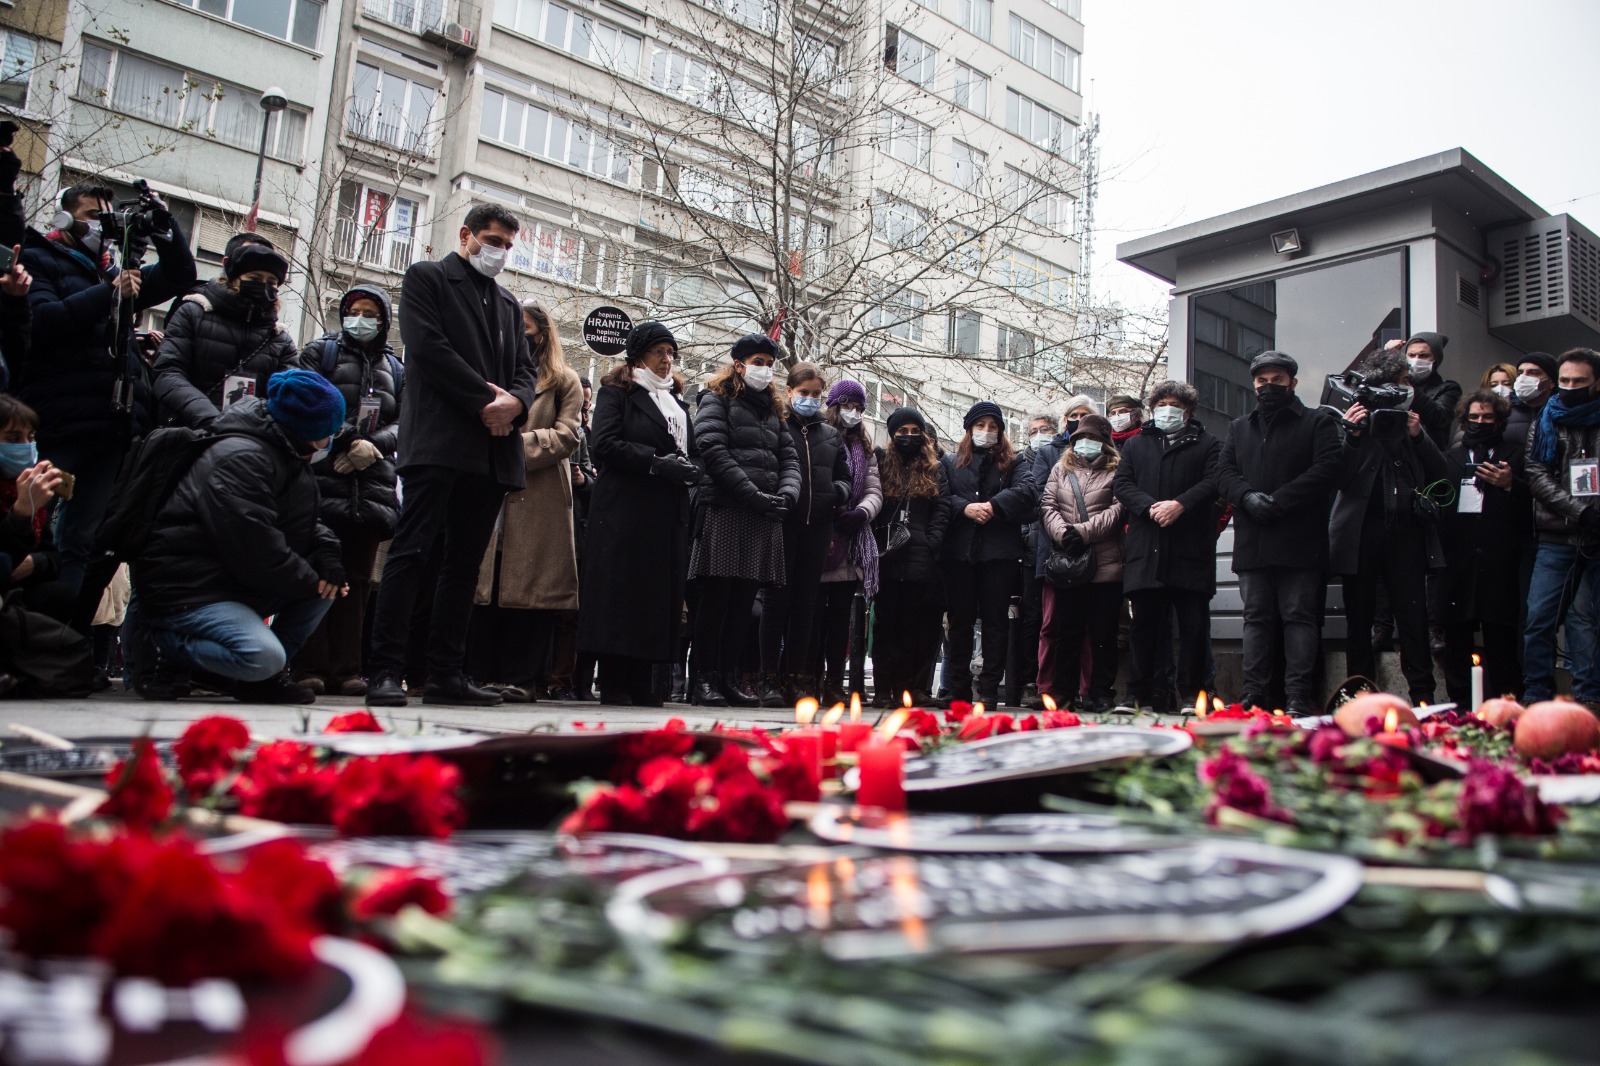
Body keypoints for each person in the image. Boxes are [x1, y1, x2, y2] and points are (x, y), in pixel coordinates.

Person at [365, 203, 537, 708]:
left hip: (491, 450)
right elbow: (428, 348)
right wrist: (489, 402)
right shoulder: (428, 279)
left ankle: (445, 673)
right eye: (492, 240)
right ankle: (385, 670)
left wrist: (516, 404)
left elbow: (526, 370)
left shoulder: (507, 304)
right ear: (466, 235)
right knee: (411, 553)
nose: (499, 251)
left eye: (507, 244)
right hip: (440, 442)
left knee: (464, 566)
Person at [20, 182, 196, 604]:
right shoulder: (37, 259)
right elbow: (44, 321)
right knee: (33, 530)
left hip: (109, 426)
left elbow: (179, 276)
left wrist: (162, 225)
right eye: (91, 215)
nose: (102, 224)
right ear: (64, 218)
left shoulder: (113, 271)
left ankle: (59, 639)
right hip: (58, 425)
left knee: (80, 539)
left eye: (107, 215)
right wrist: (110, 293)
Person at [133, 370, 348, 704]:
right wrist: (311, 580)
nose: (335, 436)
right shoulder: (244, 456)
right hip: (191, 588)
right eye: (331, 429)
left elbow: (301, 520)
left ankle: (257, 680)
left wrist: (328, 555)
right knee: (264, 655)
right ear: (308, 429)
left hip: (228, 582)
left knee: (325, 589)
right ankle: (169, 646)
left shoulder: (285, 452)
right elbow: (255, 545)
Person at [576, 322, 697, 706]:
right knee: (621, 595)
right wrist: (657, 464)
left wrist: (693, 469)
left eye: (671, 353)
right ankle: (615, 680)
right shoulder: (619, 392)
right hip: (625, 512)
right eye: (659, 352)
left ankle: (646, 680)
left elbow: (692, 450)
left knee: (656, 598)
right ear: (639, 354)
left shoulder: (675, 402)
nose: (667, 360)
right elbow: (606, 444)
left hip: (665, 514)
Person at [468, 299, 583, 702]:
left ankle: (522, 678)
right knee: (486, 584)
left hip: (538, 498)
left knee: (531, 588)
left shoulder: (564, 380)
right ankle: (480, 674)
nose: (519, 335)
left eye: (527, 328)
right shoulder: (489, 372)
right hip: (488, 490)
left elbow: (567, 435)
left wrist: (513, 447)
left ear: (543, 333)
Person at [1215, 351, 1342, 715]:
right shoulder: (1240, 427)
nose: (1269, 387)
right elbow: (1224, 474)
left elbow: (1327, 468)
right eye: (1262, 380)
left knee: (1298, 616)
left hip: (1300, 539)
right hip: (1253, 541)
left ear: (1293, 383)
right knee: (1256, 618)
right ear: (1253, 384)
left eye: (1278, 380)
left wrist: (1280, 501)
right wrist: (1248, 498)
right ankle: (1255, 692)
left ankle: (1298, 695)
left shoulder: (1316, 422)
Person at [292, 284, 403, 698]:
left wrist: (374, 447)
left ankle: (347, 668)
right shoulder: (320, 353)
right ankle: (309, 665)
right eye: (354, 310)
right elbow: (304, 402)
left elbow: (405, 419)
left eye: (370, 312)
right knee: (316, 572)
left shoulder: (397, 367)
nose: (361, 318)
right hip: (323, 479)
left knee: (357, 581)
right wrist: (346, 440)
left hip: (372, 484)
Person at [1328, 350, 1452, 705]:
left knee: (1413, 615)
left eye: (1406, 381)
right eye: (1398, 382)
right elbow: (1338, 477)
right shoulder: (1355, 419)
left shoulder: (1412, 421)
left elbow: (1440, 471)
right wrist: (1351, 434)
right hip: (1361, 531)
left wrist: (1416, 434)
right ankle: (1358, 695)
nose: (1404, 388)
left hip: (1407, 530)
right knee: (1360, 617)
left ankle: (1423, 696)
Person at [688, 334, 800, 708]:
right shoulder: (715, 399)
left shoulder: (774, 410)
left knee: (743, 603)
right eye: (758, 361)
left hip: (763, 514)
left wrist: (787, 495)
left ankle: (728, 677)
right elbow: (713, 451)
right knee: (717, 599)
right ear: (738, 364)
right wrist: (753, 494)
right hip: (727, 509)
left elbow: (790, 460)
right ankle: (703, 679)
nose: (764, 369)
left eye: (770, 363)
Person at [1113, 381, 1221, 712]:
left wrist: (1180, 505)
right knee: (1143, 627)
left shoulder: (1209, 444)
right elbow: (1122, 483)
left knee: (1192, 628)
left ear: (1187, 411)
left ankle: (1191, 694)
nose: (1166, 410)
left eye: (1173, 404)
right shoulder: (1136, 446)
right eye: (1160, 404)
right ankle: (1137, 694)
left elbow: (1214, 482)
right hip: (1147, 549)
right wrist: (1150, 506)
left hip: (1190, 549)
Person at [756, 363, 849, 706]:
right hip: (783, 523)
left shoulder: (831, 435)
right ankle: (768, 677)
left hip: (818, 526)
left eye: (815, 394)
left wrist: (834, 494)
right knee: (775, 601)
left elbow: (845, 478)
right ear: (790, 391)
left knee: (805, 606)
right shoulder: (777, 425)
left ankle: (797, 677)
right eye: (803, 393)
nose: (809, 399)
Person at [939, 400, 1033, 707]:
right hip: (959, 554)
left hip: (999, 555)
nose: (987, 432)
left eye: (993, 427)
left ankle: (990, 688)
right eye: (980, 426)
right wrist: (965, 508)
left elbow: (1027, 491)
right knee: (959, 622)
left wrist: (994, 505)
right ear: (969, 429)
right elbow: (942, 496)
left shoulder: (1014, 462)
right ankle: (957, 689)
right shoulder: (951, 462)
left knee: (995, 622)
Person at [1522, 348, 1600, 708]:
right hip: (1559, 534)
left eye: (1578, 382)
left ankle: (1589, 697)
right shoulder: (1546, 420)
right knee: (1539, 618)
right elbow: (1536, 474)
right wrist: (1580, 512)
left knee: (1589, 619)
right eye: (1565, 380)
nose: (1569, 387)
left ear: (1596, 384)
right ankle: (1537, 696)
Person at [1439, 389, 1526, 704]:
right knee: (1456, 642)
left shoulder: (1515, 455)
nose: (1480, 422)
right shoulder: (1451, 458)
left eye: (1487, 418)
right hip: (1458, 562)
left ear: (1500, 421)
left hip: (1499, 562)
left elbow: (1531, 504)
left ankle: (1508, 704)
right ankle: (1460, 707)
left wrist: (1510, 484)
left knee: (1501, 640)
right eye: (1474, 418)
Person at [152, 244, 298, 428]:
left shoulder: (279, 338)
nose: (263, 286)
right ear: (234, 279)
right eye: (255, 278)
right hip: (188, 432)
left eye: (271, 283)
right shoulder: (192, 313)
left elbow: (289, 396)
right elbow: (167, 372)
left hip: (246, 440)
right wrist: (208, 417)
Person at [1036, 414, 1123, 711]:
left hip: (1106, 562)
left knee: (1103, 633)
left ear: (1105, 444)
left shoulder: (1118, 470)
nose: (1086, 444)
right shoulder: (1061, 468)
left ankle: (1100, 692)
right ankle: (1064, 691)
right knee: (1066, 630)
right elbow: (1048, 504)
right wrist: (1062, 533)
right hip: (1068, 561)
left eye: (1094, 439)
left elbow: (1118, 509)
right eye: (1081, 439)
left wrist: (1083, 533)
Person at [871, 407, 950, 706]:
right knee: (884, 626)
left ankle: (906, 690)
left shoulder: (935, 468)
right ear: (893, 435)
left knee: (911, 627)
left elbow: (943, 508)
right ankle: (882, 689)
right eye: (902, 432)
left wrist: (931, 542)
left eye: (914, 431)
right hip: (887, 556)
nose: (908, 437)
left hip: (920, 559)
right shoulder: (881, 462)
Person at [813, 379, 881, 704]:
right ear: (834, 405)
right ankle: (808, 678)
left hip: (851, 540)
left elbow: (873, 488)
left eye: (858, 408)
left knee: (841, 618)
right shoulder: (819, 436)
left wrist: (862, 513)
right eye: (848, 405)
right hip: (820, 533)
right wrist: (831, 510)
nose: (853, 413)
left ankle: (833, 681)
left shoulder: (864, 448)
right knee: (813, 615)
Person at [549, 374, 597, 702]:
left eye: (587, 402)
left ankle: (563, 679)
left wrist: (584, 481)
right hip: (550, 519)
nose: (584, 408)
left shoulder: (585, 436)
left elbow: (594, 479)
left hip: (577, 526)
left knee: (571, 610)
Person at [0, 394, 63, 602]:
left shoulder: (19, 486)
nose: (27, 446)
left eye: (31, 437)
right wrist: (20, 514)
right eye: (13, 439)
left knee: (57, 596)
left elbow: (53, 559)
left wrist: (34, 563)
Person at [1015, 409, 1057, 706]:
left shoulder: (1059, 458)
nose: (1038, 436)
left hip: (1054, 548)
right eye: (1033, 431)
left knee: (1052, 620)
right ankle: (1029, 680)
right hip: (1027, 552)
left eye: (1044, 429)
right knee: (1030, 619)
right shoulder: (1018, 462)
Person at [1404, 332, 1462, 450]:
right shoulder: (1395, 384)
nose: (1416, 360)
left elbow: (1438, 417)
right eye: (1411, 355)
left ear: (1436, 359)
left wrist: (1407, 383)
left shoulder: (1449, 389)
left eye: (1423, 355)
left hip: (1426, 457)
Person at [1505, 351, 1559, 450]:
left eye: (1533, 373)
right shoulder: (1504, 411)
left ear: (1551, 381)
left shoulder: (1562, 411)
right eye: (1520, 373)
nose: (1523, 377)